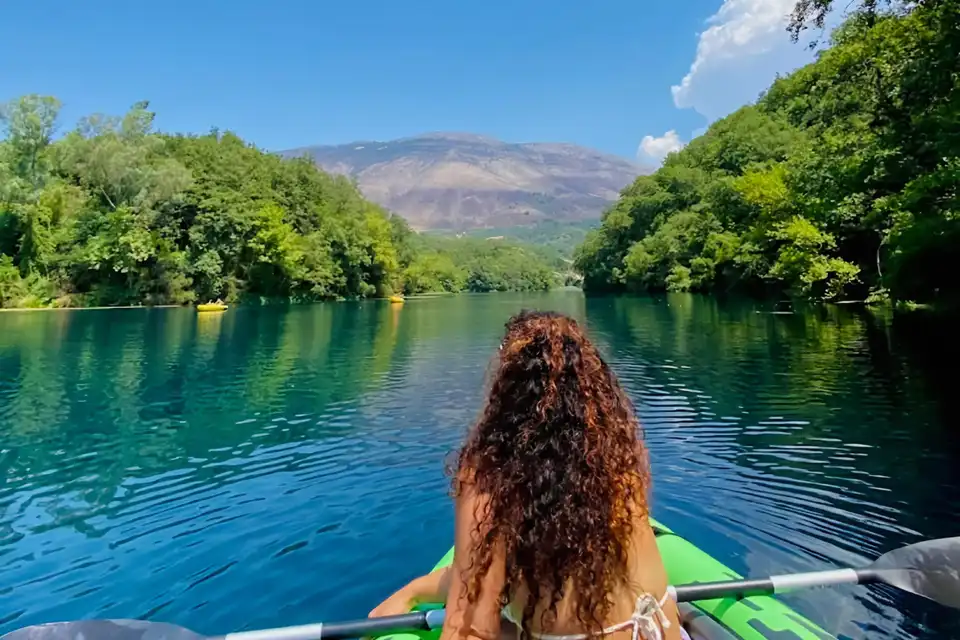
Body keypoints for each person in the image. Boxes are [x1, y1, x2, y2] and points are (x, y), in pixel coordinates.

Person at [370, 311, 684, 640]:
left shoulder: (490, 472)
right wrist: (414, 590)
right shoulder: (619, 456)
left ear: (507, 387)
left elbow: (471, 622)